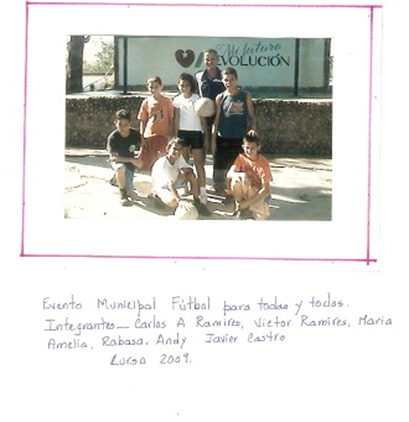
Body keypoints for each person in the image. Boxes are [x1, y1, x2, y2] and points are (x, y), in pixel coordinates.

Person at [211, 67, 257, 196]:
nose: (229, 82)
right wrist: (213, 140)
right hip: (223, 138)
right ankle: (222, 190)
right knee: (220, 167)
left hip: (239, 138)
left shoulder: (245, 96)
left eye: (231, 79)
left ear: (236, 80)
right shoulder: (220, 98)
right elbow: (216, 120)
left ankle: (235, 192)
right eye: (226, 80)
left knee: (237, 167)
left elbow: (252, 116)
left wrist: (253, 129)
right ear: (222, 81)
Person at [151, 137, 211, 217]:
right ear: (168, 149)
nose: (177, 152)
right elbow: (170, 184)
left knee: (191, 176)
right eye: (174, 149)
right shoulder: (162, 163)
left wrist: (183, 171)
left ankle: (197, 201)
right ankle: (158, 197)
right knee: (173, 202)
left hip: (174, 181)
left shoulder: (179, 158)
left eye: (180, 150)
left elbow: (190, 169)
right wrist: (179, 200)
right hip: (163, 186)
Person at [173, 73, 208, 204]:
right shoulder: (177, 100)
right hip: (183, 133)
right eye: (182, 85)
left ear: (191, 86)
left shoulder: (197, 98)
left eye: (187, 85)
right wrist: (175, 136)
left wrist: (206, 134)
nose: (184, 88)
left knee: (199, 163)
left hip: (196, 133)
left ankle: (203, 191)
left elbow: (202, 117)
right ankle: (187, 187)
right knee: (184, 161)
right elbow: (176, 119)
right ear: (178, 85)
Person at [226, 132, 273, 220]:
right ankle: (240, 207)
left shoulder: (263, 163)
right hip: (246, 188)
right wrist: (242, 174)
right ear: (243, 147)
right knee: (235, 180)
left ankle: (248, 207)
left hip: (258, 193)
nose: (249, 151)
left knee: (259, 218)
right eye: (247, 148)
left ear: (258, 147)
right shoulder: (241, 158)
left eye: (252, 148)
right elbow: (229, 174)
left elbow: (265, 189)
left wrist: (247, 203)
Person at [106, 109, 143, 206]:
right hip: (118, 161)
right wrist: (131, 160)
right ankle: (122, 195)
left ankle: (117, 179)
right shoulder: (113, 138)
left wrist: (140, 156)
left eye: (126, 124)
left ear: (130, 123)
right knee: (121, 168)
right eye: (120, 124)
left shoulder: (135, 134)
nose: (123, 127)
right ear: (115, 123)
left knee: (130, 190)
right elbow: (113, 157)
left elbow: (143, 145)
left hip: (130, 164)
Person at [137, 76, 174, 172]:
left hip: (163, 135)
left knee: (162, 160)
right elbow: (142, 120)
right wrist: (141, 136)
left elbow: (171, 119)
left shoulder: (167, 101)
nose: (153, 89)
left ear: (161, 86)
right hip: (149, 136)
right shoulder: (146, 102)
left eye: (156, 87)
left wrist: (171, 135)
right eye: (151, 87)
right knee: (149, 162)